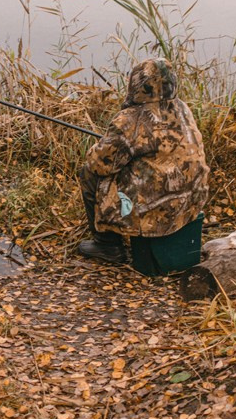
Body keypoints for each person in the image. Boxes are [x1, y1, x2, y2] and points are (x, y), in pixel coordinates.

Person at [78, 58, 209, 265]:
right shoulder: (182, 108)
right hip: (191, 200)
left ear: (136, 85)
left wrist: (98, 147)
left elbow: (100, 164)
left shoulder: (130, 119)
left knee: (88, 173)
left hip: (155, 208)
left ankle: (107, 244)